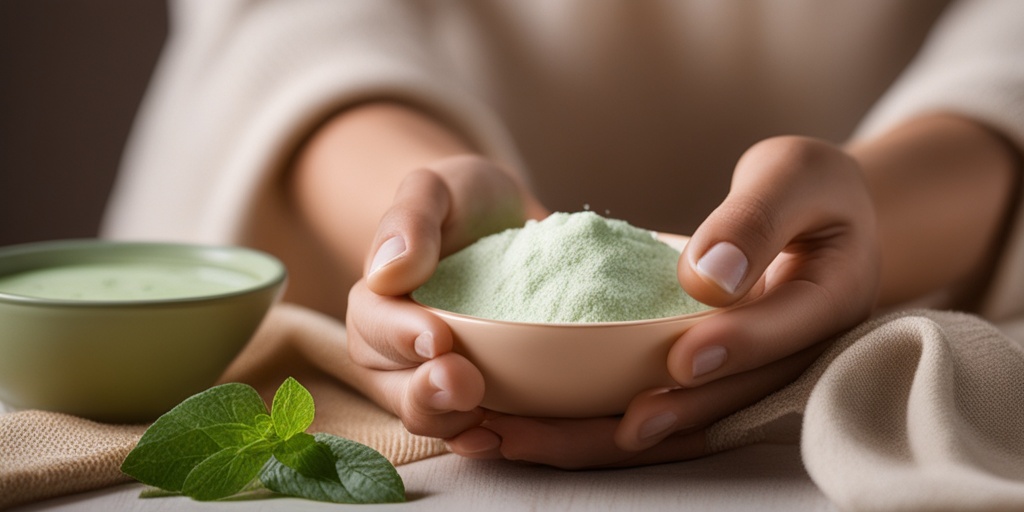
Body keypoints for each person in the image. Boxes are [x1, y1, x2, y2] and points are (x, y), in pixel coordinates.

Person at [103, 0, 1023, 469]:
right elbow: (291, 20)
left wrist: (874, 206)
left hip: (929, 208)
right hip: (348, 154)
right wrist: (406, 211)